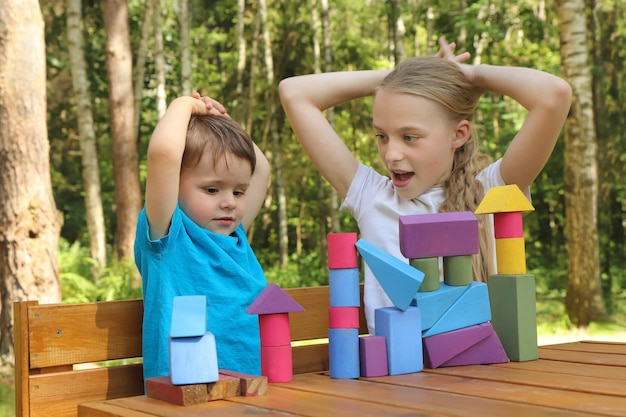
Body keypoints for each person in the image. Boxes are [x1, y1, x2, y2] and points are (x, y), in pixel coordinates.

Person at [278, 38, 571, 334]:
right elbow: (294, 92)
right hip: (395, 378)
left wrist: (472, 75)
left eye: (409, 137)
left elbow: (554, 95)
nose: (391, 154)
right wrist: (399, 78)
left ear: (458, 134)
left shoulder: (492, 192)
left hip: (480, 375)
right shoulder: (371, 196)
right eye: (381, 136)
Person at [134, 93, 270, 380]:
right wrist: (185, 104)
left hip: (252, 394)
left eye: (238, 192)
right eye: (211, 190)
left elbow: (262, 169)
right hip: (187, 395)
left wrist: (220, 117)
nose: (229, 202)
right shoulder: (168, 239)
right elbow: (163, 155)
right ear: (174, 184)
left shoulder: (236, 236)